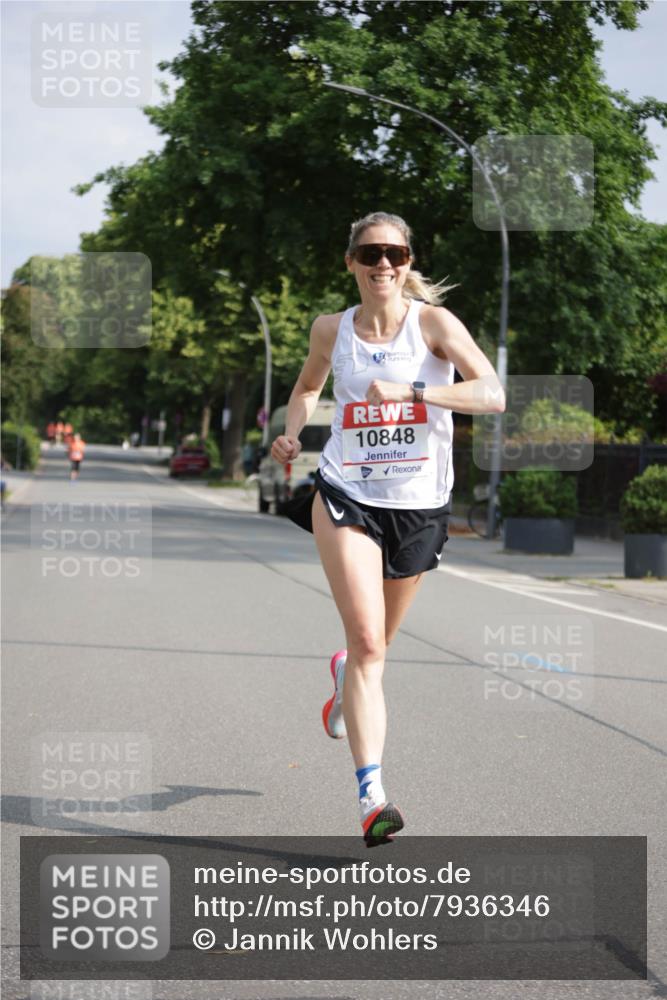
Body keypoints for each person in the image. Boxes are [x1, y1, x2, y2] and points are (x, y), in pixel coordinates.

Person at [271, 211, 505, 847]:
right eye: (371, 253)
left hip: (420, 505)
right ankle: (372, 796)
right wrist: (291, 432)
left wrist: (413, 393)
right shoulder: (331, 329)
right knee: (370, 644)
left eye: (395, 255)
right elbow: (308, 386)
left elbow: (492, 394)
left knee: (376, 650)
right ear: (350, 261)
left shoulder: (433, 325)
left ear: (407, 263)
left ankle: (344, 676)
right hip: (347, 493)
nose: (383, 264)